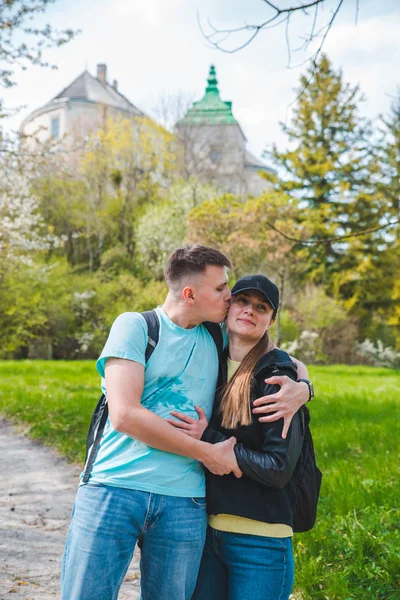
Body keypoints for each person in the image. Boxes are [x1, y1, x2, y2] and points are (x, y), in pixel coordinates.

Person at [61, 246, 311, 600]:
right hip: (114, 487)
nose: (230, 297)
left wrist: (303, 388)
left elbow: (277, 357)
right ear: (190, 294)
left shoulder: (216, 336)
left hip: (184, 502)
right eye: (222, 289)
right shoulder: (136, 326)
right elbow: (125, 415)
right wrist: (206, 450)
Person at [169, 274, 308, 600]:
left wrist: (210, 439)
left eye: (261, 307)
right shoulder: (207, 356)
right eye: (243, 301)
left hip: (260, 542)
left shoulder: (278, 377)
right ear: (229, 305)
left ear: (271, 320)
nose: (250, 310)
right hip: (207, 537)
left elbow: (278, 467)